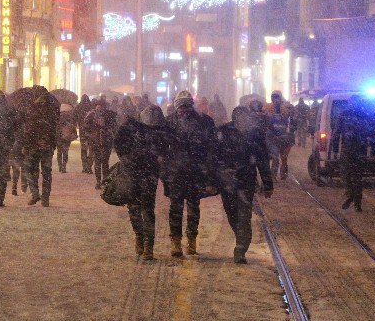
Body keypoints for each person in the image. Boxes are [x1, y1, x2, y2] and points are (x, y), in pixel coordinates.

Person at [215, 106, 273, 264]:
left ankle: (240, 248)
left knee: (244, 215)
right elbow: (214, 157)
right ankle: (240, 237)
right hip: (227, 182)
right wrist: (213, 180)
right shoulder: (223, 132)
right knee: (232, 213)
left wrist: (268, 184)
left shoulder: (255, 134)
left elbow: (262, 160)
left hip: (246, 181)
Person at [114, 105, 171, 261]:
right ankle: (139, 235)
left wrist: (162, 157)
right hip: (133, 172)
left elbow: (167, 146)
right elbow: (118, 143)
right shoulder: (130, 126)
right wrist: (126, 158)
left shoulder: (161, 129)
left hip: (150, 173)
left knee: (147, 208)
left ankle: (148, 245)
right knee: (133, 207)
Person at [164, 91, 215, 257]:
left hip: (194, 172)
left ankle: (191, 240)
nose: (183, 110)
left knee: (193, 208)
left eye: (186, 106)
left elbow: (210, 150)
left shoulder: (203, 122)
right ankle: (176, 242)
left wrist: (208, 176)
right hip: (176, 172)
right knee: (176, 208)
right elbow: (163, 149)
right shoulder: (169, 122)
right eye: (181, 106)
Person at [331, 96, 374, 212]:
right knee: (358, 178)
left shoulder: (343, 115)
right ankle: (357, 204)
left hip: (348, 150)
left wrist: (335, 150)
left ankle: (351, 195)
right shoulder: (364, 115)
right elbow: (370, 133)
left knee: (346, 176)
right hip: (360, 151)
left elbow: (336, 134)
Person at [24, 93, 60, 206]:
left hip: (34, 147)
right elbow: (55, 132)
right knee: (46, 173)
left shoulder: (32, 113)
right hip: (47, 148)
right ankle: (45, 198)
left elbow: (28, 132)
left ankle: (34, 193)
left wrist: (26, 145)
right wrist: (52, 145)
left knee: (30, 170)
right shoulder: (52, 115)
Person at [84, 99, 118, 189]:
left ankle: (103, 181)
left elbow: (114, 127)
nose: (99, 107)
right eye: (97, 105)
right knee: (98, 163)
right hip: (96, 142)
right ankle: (99, 182)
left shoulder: (109, 115)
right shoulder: (91, 115)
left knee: (104, 163)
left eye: (101, 105)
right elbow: (86, 127)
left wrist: (105, 129)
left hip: (105, 142)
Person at [263, 91, 295, 181]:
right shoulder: (266, 108)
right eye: (274, 97)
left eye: (277, 97)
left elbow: (291, 120)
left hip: (283, 137)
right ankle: (273, 176)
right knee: (275, 156)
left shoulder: (285, 108)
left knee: (284, 157)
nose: (275, 100)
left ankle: (282, 172)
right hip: (272, 137)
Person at [56, 103, 78, 173]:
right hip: (66, 137)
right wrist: (74, 134)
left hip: (59, 137)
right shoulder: (70, 117)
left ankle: (60, 166)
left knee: (59, 152)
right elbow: (72, 127)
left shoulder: (57, 116)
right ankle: (64, 167)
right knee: (65, 152)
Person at [75, 94, 94, 174]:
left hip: (83, 132)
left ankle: (84, 166)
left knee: (83, 149)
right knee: (91, 149)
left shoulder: (78, 107)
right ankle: (89, 166)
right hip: (91, 132)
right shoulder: (91, 107)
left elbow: (74, 117)